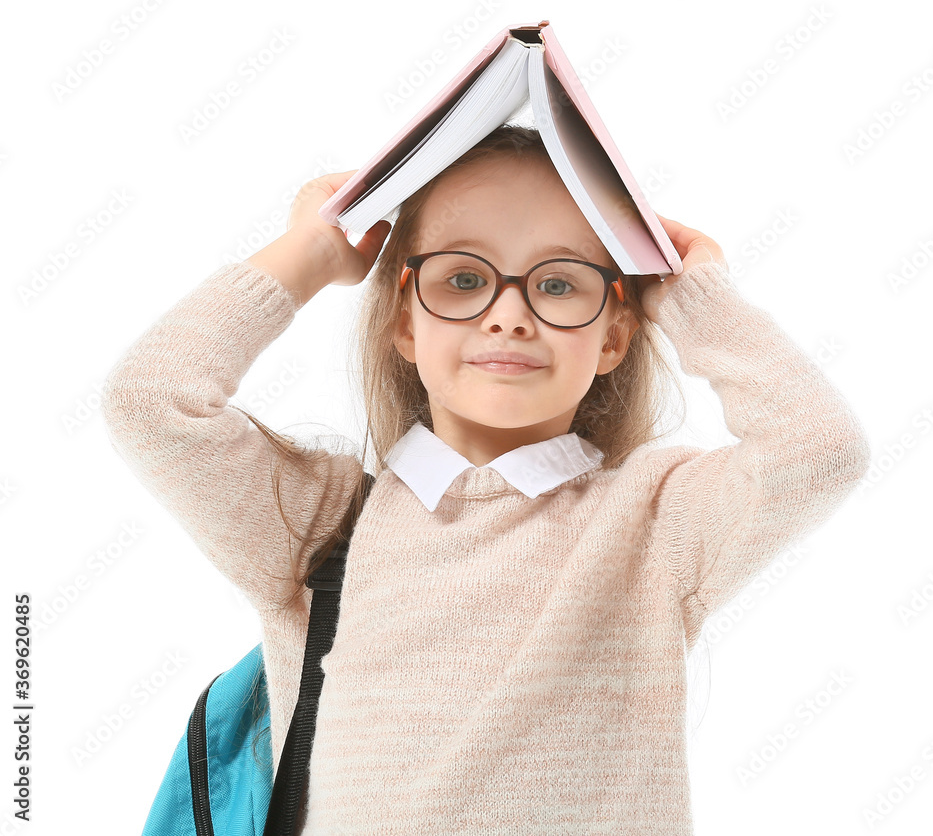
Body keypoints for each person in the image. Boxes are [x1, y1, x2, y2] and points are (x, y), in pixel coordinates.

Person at [101, 124, 871, 834]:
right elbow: (151, 402)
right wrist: (310, 252)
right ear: (404, 320)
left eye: (561, 283)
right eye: (464, 279)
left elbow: (819, 451)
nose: (509, 314)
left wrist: (690, 297)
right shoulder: (320, 522)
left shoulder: (654, 520)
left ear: (614, 334)